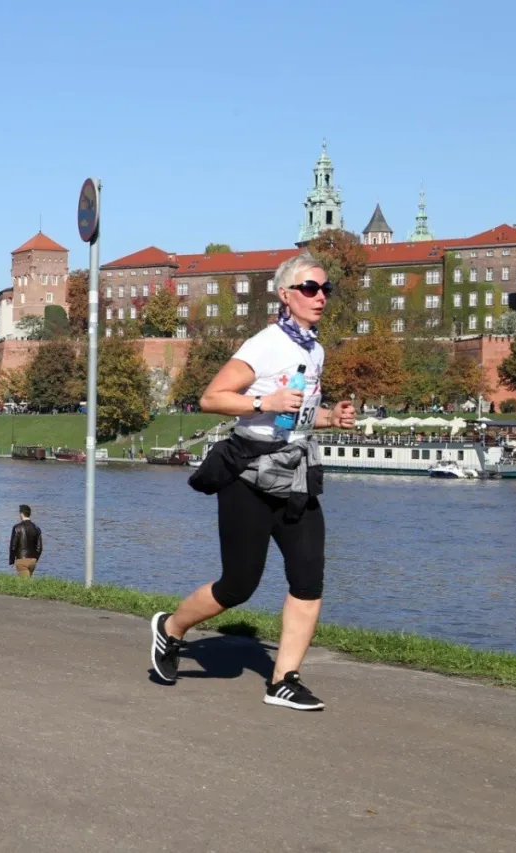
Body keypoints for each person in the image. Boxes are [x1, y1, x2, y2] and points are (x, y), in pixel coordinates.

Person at [150, 251, 355, 710]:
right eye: (309, 288)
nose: (319, 296)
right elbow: (212, 397)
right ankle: (171, 629)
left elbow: (297, 413)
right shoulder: (264, 344)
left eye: (325, 289)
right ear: (286, 295)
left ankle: (284, 679)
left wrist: (329, 417)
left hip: (296, 470)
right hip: (248, 475)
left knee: (309, 578)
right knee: (238, 585)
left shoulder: (314, 348)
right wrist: (267, 402)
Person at [8, 504, 42, 578]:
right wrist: (35, 559)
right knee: (29, 580)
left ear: (21, 514)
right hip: (33, 560)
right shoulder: (37, 528)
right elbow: (39, 548)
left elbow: (13, 546)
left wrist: (12, 560)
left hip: (21, 559)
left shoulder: (17, 527)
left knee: (24, 583)